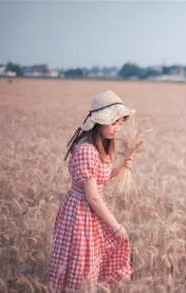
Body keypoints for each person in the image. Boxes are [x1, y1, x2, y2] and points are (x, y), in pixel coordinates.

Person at [48, 90, 135, 292]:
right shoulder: (86, 150)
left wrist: (120, 168)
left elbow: (98, 179)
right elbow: (93, 197)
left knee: (91, 261)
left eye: (120, 124)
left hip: (91, 211)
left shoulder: (98, 147)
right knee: (84, 264)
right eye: (113, 123)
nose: (117, 129)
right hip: (82, 213)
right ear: (99, 122)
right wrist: (115, 226)